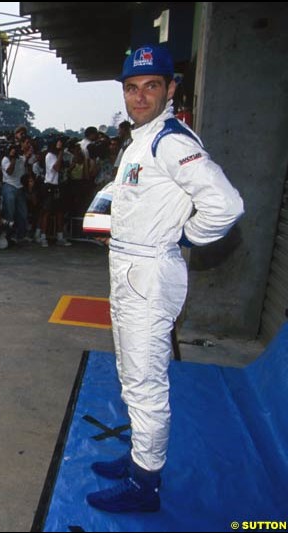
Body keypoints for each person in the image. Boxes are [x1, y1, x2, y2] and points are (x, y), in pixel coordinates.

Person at [85, 45, 244, 514]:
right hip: (130, 268)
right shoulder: (143, 138)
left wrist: (187, 236)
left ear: (170, 89)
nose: (139, 96)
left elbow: (227, 206)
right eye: (132, 88)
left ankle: (145, 484)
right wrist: (98, 212)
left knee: (145, 382)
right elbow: (127, 186)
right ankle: (139, 458)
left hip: (150, 271)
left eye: (151, 86)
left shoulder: (170, 140)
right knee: (131, 373)